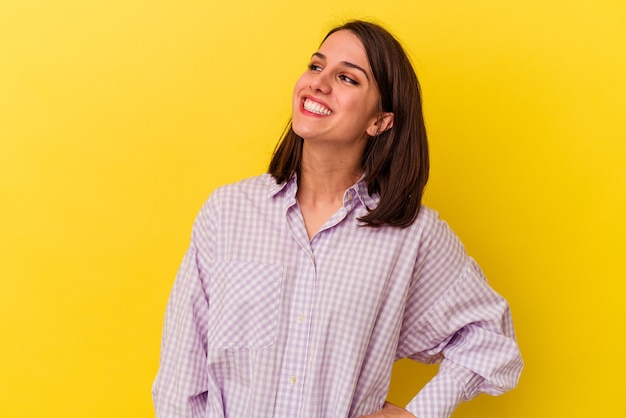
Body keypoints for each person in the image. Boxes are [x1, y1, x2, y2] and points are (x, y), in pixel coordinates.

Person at [152, 20, 523, 418]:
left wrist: (420, 414)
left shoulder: (412, 236)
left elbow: (492, 338)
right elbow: (181, 376)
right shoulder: (229, 212)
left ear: (380, 121)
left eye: (346, 77)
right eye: (316, 66)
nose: (319, 83)